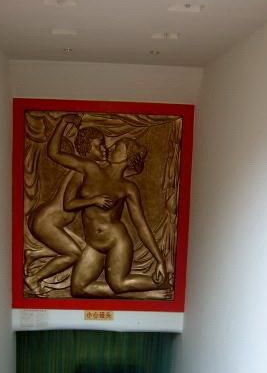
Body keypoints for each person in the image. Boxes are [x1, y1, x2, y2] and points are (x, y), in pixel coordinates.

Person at [48, 114, 170, 299]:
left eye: (117, 147)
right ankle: (140, 294)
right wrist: (63, 122)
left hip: (116, 241)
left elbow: (141, 225)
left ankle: (161, 285)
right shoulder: (90, 168)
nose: (110, 147)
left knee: (118, 284)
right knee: (78, 290)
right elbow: (54, 154)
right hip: (94, 244)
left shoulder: (128, 187)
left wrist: (159, 260)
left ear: (126, 157)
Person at [26, 124, 112, 293]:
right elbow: (68, 204)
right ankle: (33, 279)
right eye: (98, 145)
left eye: (104, 144)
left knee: (83, 249)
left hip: (50, 221)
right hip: (46, 222)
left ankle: (33, 254)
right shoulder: (82, 171)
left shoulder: (86, 169)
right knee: (74, 254)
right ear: (87, 149)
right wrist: (94, 200)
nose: (104, 148)